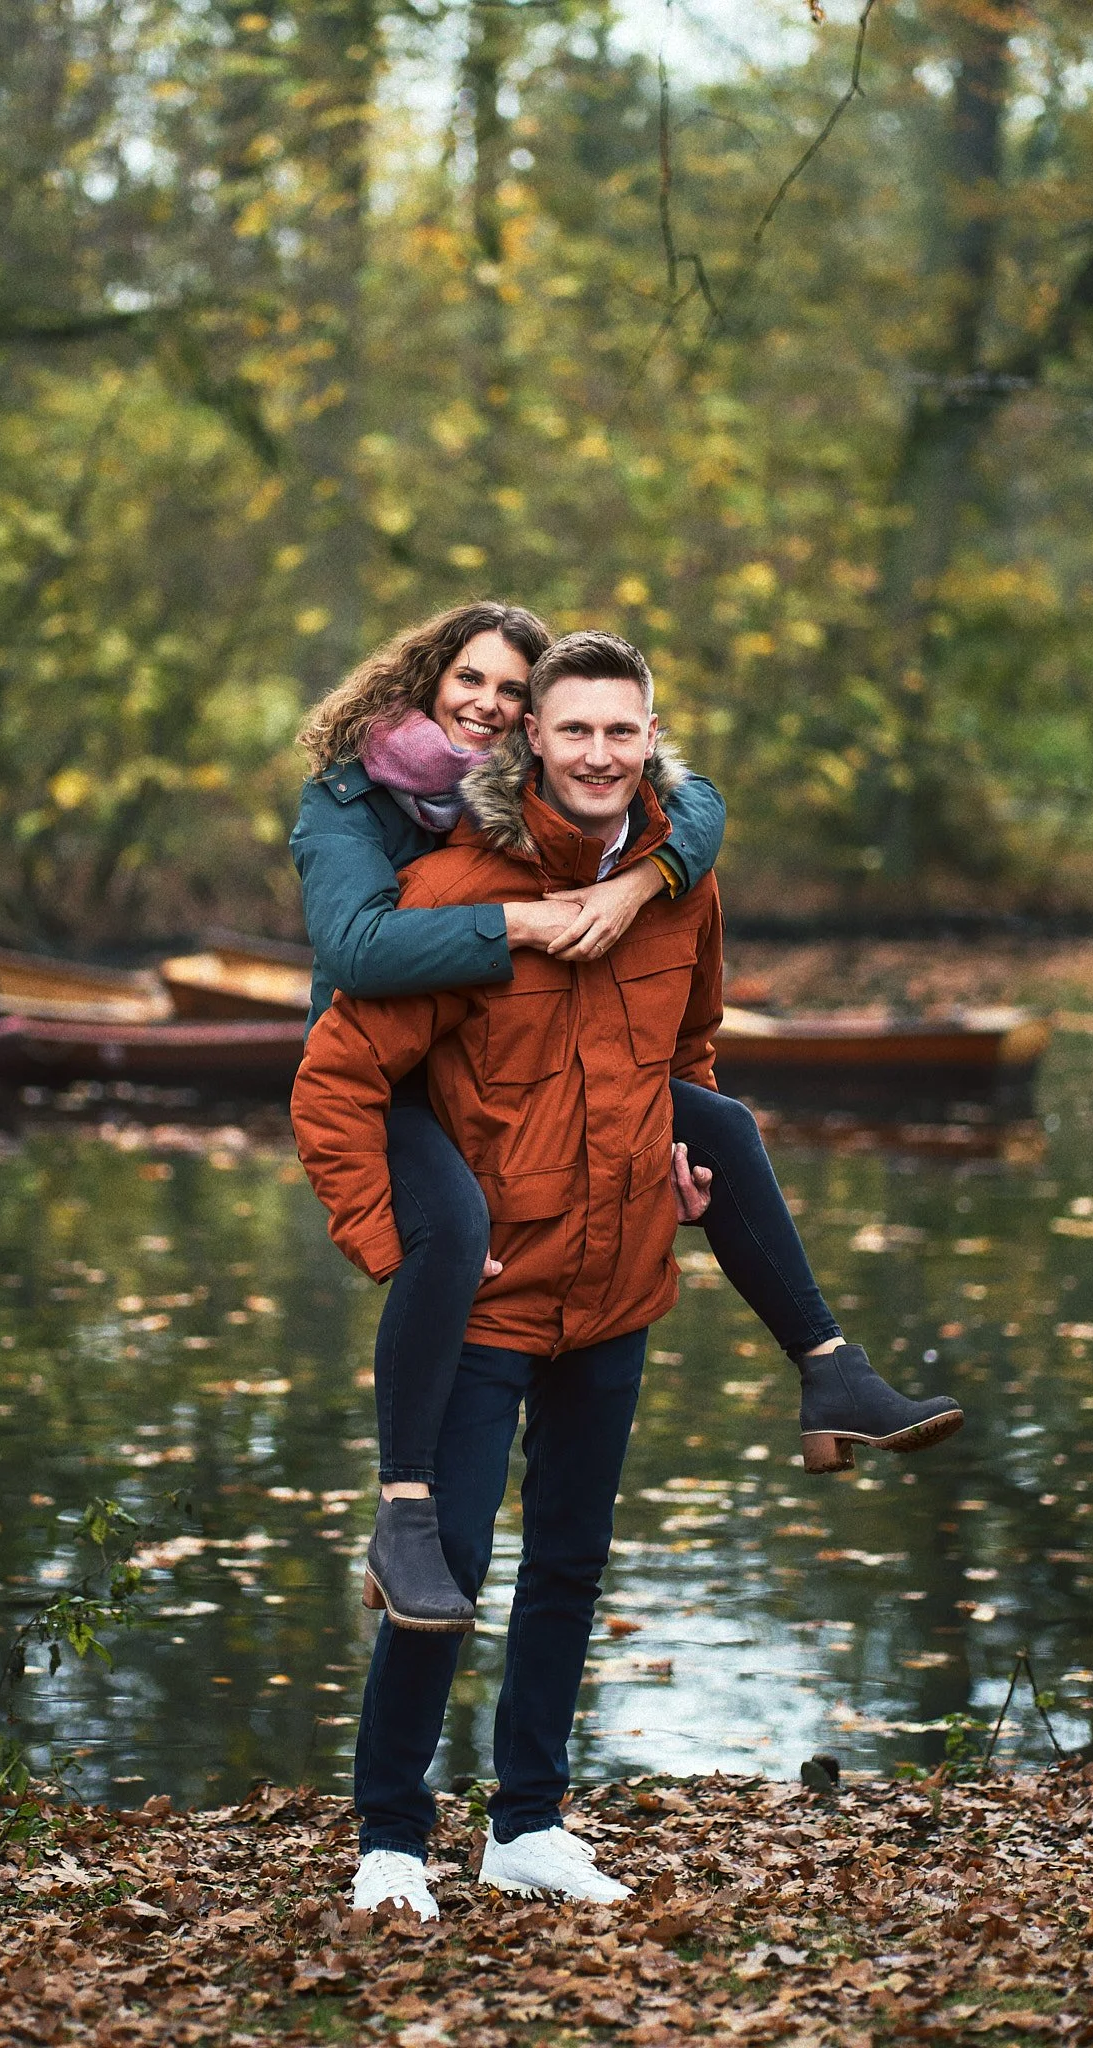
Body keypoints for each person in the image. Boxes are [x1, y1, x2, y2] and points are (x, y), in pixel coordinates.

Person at [293, 633, 962, 1921]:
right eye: (575, 731)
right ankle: (390, 1844)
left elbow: (690, 1048)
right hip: (491, 1290)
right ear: (528, 742)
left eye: (623, 732)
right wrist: (396, 1242)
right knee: (443, 1578)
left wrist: (685, 1165)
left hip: (618, 1279)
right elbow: (334, 1086)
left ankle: (527, 1826)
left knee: (572, 1564)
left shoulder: (677, 890)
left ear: (650, 740)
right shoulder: (446, 897)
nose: (600, 754)